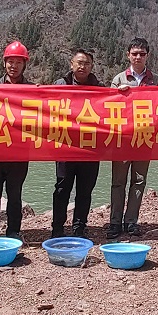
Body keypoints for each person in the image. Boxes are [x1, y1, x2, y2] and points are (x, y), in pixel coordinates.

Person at [107, 38, 158, 239]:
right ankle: (115, 222)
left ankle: (131, 221)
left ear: (147, 56)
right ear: (128, 55)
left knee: (138, 181)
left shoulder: (155, 80)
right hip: (122, 139)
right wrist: (117, 94)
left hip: (144, 139)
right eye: (134, 53)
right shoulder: (119, 78)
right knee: (118, 182)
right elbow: (108, 105)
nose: (138, 57)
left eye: (142, 54)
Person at [0, 41, 33, 241]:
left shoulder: (31, 90)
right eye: (11, 62)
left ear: (24, 64)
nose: (14, 66)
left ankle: (13, 231)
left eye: (19, 62)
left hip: (19, 151)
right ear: (4, 63)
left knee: (15, 194)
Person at [51, 49, 104, 239]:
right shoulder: (60, 85)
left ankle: (79, 228)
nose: (83, 67)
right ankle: (57, 227)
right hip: (65, 145)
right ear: (71, 64)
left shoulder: (100, 88)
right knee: (62, 188)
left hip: (90, 147)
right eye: (79, 63)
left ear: (92, 66)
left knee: (85, 190)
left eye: (87, 63)